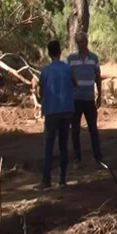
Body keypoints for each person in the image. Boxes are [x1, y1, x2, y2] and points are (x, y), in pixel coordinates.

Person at [34, 40, 75, 190]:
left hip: (51, 111)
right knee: (63, 145)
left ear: (49, 53)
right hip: (66, 110)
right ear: (60, 52)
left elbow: (41, 91)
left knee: (49, 146)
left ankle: (46, 181)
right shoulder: (68, 69)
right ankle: (62, 180)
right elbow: (74, 83)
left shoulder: (45, 71)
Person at [67, 32, 104, 167]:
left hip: (89, 99)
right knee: (75, 130)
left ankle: (98, 158)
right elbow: (67, 77)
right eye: (78, 42)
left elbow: (98, 77)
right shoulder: (71, 59)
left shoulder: (94, 58)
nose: (81, 44)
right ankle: (77, 159)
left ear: (87, 42)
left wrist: (100, 95)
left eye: (83, 41)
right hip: (75, 100)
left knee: (93, 129)